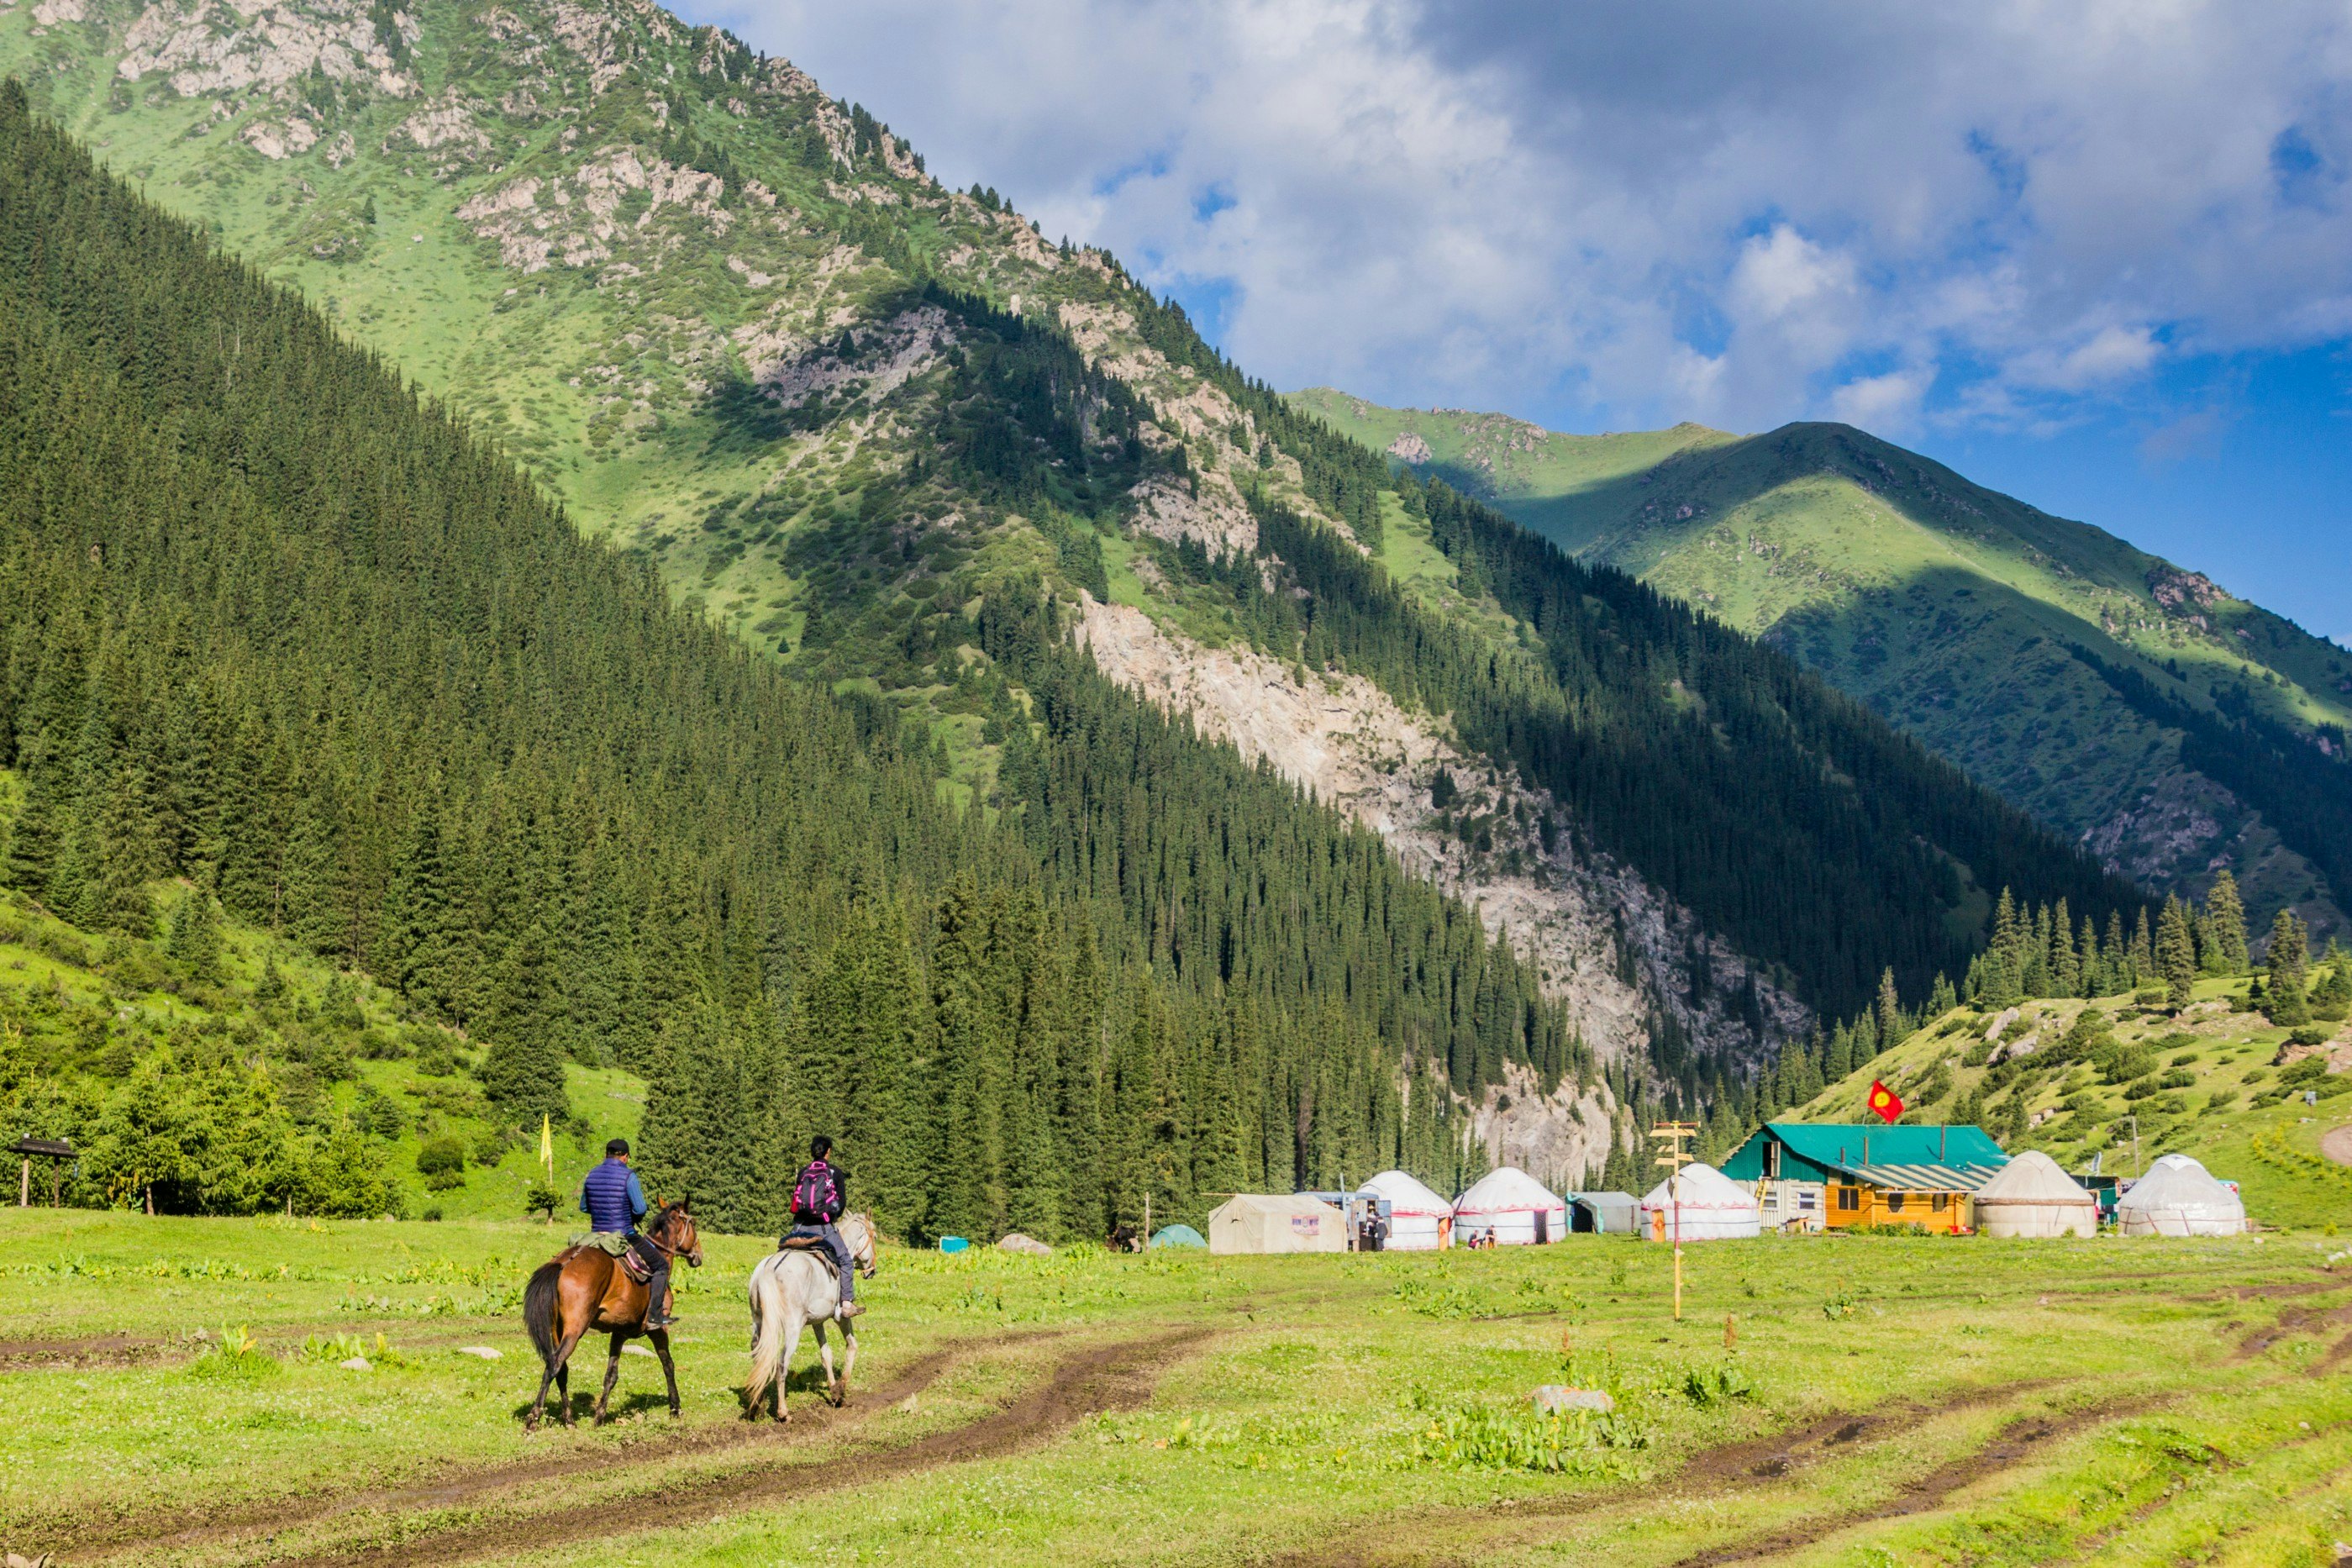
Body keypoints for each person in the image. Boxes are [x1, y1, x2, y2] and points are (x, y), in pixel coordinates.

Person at [580, 1138, 675, 1331]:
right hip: (624, 1234)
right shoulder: (628, 1176)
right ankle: (655, 1316)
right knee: (661, 1265)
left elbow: (584, 1206)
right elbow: (640, 1209)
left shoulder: (592, 1175)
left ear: (606, 1154)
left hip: (597, 1234)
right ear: (625, 1157)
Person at [784, 1134, 860, 1319]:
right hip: (822, 1229)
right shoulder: (835, 1172)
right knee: (846, 1261)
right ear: (828, 1152)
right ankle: (847, 1304)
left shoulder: (803, 1172)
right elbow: (840, 1206)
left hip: (799, 1228)